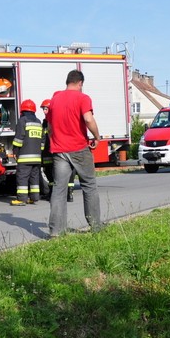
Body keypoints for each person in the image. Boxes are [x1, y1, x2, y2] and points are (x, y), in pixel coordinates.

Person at [47, 69, 102, 237]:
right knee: (89, 186)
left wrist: (55, 140)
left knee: (59, 190)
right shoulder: (83, 98)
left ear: (67, 81)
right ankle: (95, 226)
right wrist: (97, 137)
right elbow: (88, 119)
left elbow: (49, 128)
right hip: (78, 148)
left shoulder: (54, 99)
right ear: (80, 83)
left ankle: (56, 232)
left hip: (59, 151)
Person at [40, 98, 75, 202]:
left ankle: (69, 193)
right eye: (43, 109)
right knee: (48, 171)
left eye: (46, 109)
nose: (44, 111)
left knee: (63, 172)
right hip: (47, 152)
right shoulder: (45, 123)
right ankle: (51, 193)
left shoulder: (57, 120)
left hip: (57, 150)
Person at [11, 99, 44, 205]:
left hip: (25, 156)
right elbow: (42, 139)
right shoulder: (38, 122)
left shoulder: (22, 121)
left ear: (23, 110)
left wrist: (15, 151)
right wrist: (39, 151)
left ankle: (21, 199)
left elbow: (19, 138)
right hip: (37, 157)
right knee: (34, 177)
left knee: (22, 177)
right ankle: (34, 198)